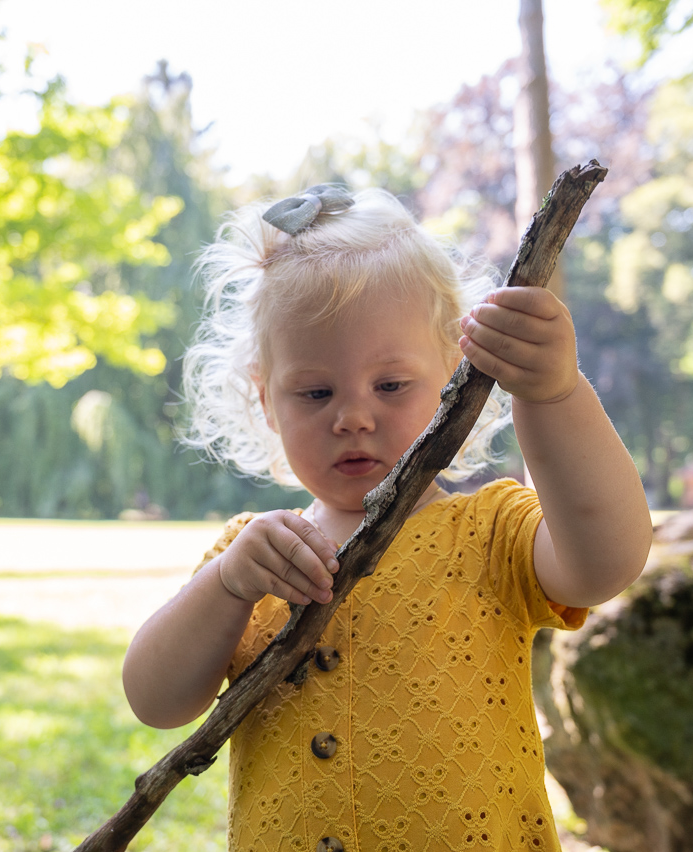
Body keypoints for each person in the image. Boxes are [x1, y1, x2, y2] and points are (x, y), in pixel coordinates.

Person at [122, 185, 652, 852]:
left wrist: (554, 396)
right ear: (266, 401)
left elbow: (607, 561)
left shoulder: (489, 532)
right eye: (315, 392)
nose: (353, 416)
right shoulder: (253, 560)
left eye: (391, 386)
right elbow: (156, 700)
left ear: (454, 376)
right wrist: (226, 584)